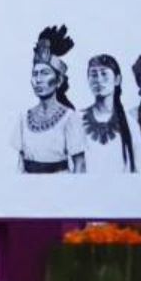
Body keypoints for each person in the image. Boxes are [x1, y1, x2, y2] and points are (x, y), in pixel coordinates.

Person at [11, 26, 85, 173]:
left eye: (45, 73)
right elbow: (19, 163)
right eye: (35, 74)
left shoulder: (70, 118)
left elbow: (80, 165)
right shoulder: (23, 118)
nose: (38, 80)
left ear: (58, 81)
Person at [79, 54, 137, 173]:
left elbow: (139, 170)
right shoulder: (77, 120)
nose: (98, 80)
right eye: (94, 75)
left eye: (104, 74)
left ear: (117, 80)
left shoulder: (130, 123)